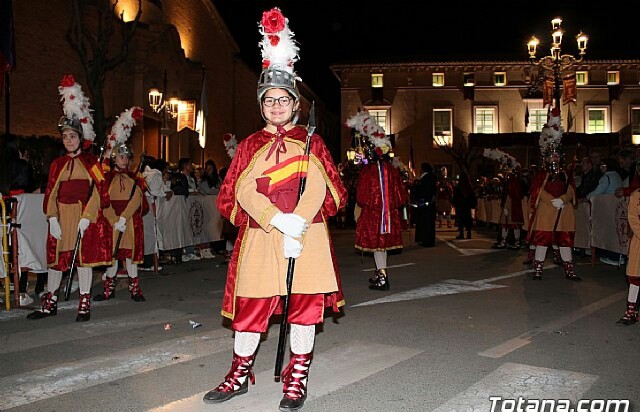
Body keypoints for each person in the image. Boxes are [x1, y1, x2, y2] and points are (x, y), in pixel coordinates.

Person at [203, 8, 347, 411]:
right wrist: (275, 219)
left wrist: (297, 222)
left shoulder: (311, 141)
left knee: (303, 307)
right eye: (270, 100)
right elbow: (242, 189)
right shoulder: (250, 145)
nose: (277, 106)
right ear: (262, 105)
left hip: (306, 235)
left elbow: (320, 184)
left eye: (284, 99)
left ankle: (296, 376)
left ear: (294, 103)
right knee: (249, 306)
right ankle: (240, 371)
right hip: (263, 234)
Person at [27, 75, 112, 322]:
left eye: (72, 136)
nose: (68, 140)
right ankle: (49, 300)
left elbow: (99, 190)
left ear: (80, 138)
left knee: (83, 260)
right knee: (56, 260)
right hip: (61, 216)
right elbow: (51, 192)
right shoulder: (57, 164)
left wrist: (87, 218)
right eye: (65, 137)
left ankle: (84, 301)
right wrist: (51, 217)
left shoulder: (91, 163)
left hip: (82, 215)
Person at [350, 111, 408, 291]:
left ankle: (382, 278)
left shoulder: (370, 171)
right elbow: (401, 195)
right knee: (381, 247)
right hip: (389, 214)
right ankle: (380, 274)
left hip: (374, 214)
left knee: (378, 246)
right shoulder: (390, 169)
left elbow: (361, 196)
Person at [528, 108, 580, 281]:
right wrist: (552, 200)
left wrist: (563, 200)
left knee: (564, 241)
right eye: (552, 155)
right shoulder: (541, 174)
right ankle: (538, 270)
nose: (555, 158)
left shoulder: (566, 173)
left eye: (557, 155)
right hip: (546, 211)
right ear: (546, 157)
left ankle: (570, 270)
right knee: (542, 241)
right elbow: (537, 190)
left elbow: (571, 189)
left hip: (563, 211)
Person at [94, 139, 148, 302]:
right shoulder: (107, 178)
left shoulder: (136, 179)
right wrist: (114, 220)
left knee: (130, 255)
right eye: (120, 156)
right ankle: (109, 288)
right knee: (112, 255)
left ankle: (134, 288)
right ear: (114, 159)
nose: (124, 159)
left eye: (126, 156)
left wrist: (124, 217)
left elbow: (137, 199)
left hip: (130, 221)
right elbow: (104, 201)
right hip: (113, 222)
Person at [618, 187, 640, 325]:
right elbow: (632, 218)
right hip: (639, 241)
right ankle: (631, 311)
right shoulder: (636, 195)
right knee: (635, 276)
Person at [413, 162, 437, 247]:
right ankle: (427, 240)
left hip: (426, 204)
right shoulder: (431, 177)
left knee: (426, 223)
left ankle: (427, 241)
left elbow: (425, 191)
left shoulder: (426, 178)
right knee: (428, 223)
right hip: (429, 204)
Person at [452, 172, 477, 240]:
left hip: (460, 205)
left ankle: (461, 234)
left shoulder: (458, 187)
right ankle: (469, 234)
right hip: (467, 206)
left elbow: (455, 197)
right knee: (468, 219)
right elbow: (473, 197)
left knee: (461, 220)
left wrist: (454, 203)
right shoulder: (469, 187)